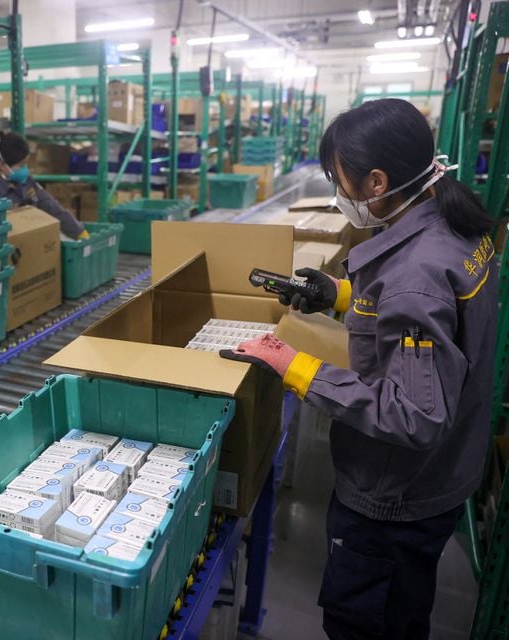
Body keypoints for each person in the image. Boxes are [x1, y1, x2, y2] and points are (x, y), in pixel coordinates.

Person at [221, 99, 497, 640]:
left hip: (395, 495)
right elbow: (435, 319)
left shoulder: (416, 274)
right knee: (403, 610)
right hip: (443, 472)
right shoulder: (451, 223)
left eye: (338, 179)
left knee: (365, 623)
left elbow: (415, 415)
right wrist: (342, 296)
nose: (336, 192)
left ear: (376, 182)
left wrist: (294, 365)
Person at [0, 132, 89, 239]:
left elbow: (50, 205)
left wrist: (78, 231)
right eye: (21, 165)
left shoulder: (27, 181)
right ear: (2, 164)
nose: (25, 169)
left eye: (26, 163)